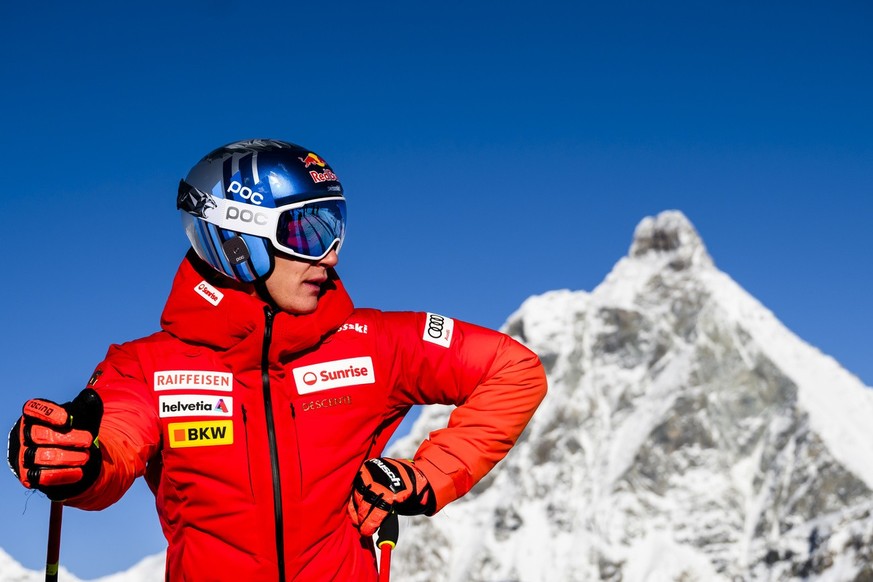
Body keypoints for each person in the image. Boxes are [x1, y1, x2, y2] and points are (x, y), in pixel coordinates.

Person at [7, 139, 548, 581]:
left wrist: (426, 476)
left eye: (335, 226)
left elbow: (513, 369)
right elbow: (114, 447)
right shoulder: (147, 367)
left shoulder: (377, 343)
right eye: (306, 230)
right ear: (238, 240)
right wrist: (76, 459)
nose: (331, 253)